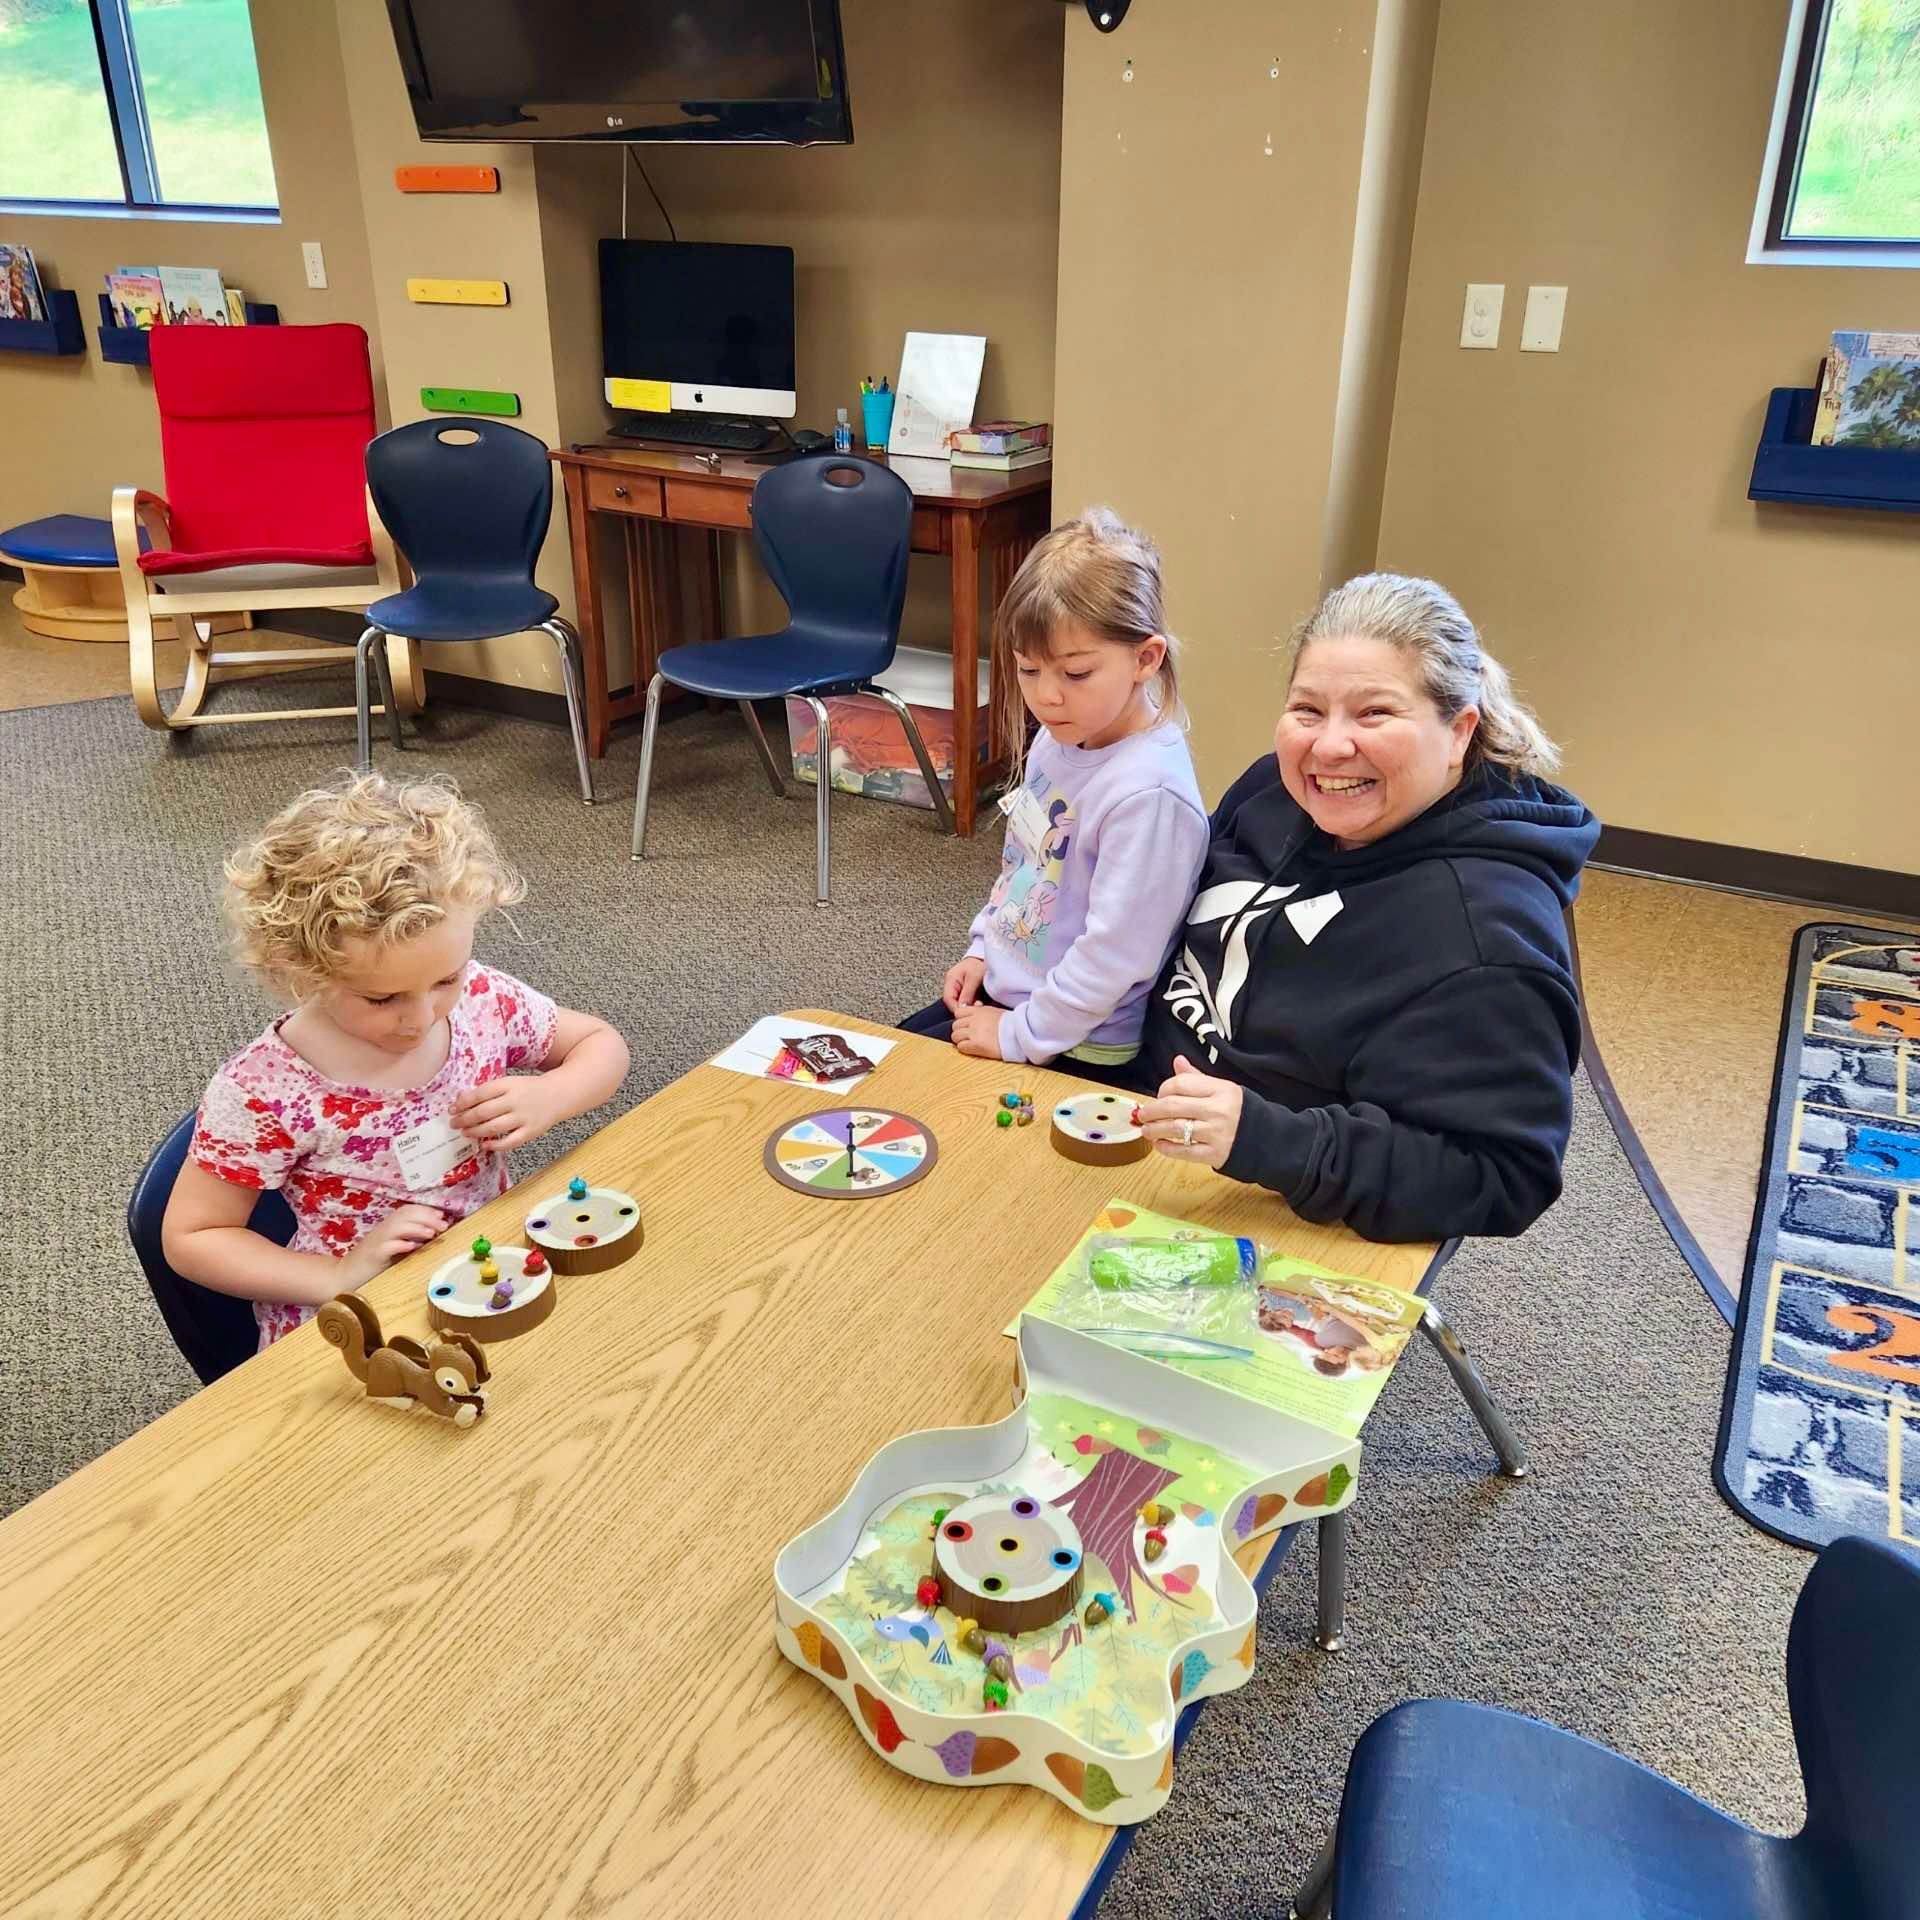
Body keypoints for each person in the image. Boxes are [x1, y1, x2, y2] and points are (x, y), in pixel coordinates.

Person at [1133, 573, 1599, 1242]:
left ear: (1460, 730)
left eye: (1374, 713)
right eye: (1307, 710)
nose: (1327, 748)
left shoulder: (1486, 940)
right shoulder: (1276, 787)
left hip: (1277, 1195)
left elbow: (1502, 1175)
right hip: (1130, 1097)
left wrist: (1268, 1139)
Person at [163, 772, 631, 1349]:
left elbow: (601, 1044)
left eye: (445, 979)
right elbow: (193, 1236)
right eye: (381, 998)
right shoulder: (265, 1090)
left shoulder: (483, 1000)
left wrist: (554, 1095)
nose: (422, 1016)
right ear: (300, 972)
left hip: (490, 1262)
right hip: (365, 1309)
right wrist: (334, 1276)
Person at [902, 509, 1209, 1076]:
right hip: (1013, 1001)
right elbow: (1022, 867)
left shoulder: (1149, 795)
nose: (1047, 698)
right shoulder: (1059, 737)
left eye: (1075, 674)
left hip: (1075, 1042)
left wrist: (1018, 1034)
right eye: (1027, 669)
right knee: (871, 1073)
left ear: (1146, 658)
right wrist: (981, 952)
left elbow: (1114, 958)